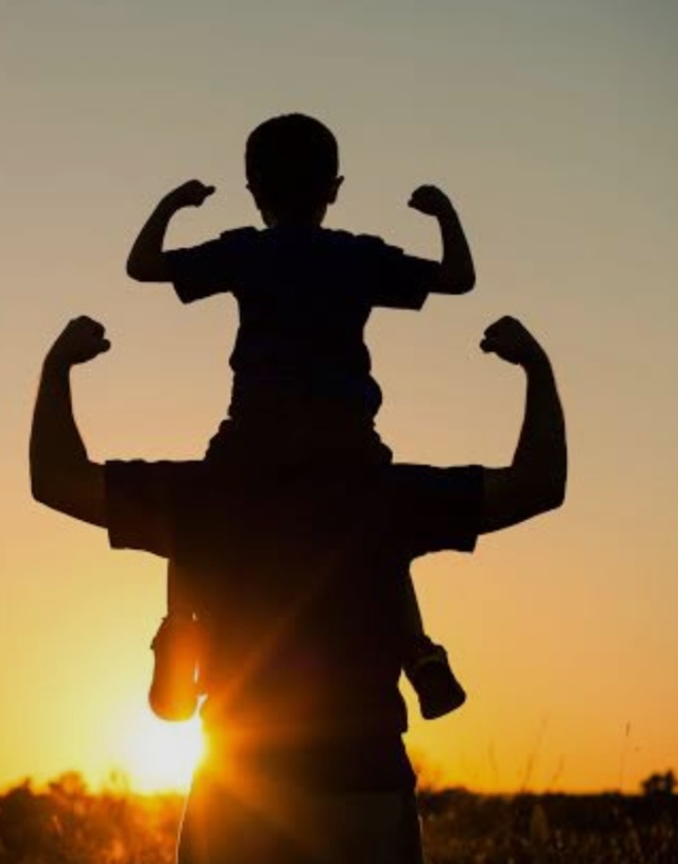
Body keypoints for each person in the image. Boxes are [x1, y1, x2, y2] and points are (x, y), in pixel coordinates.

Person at [29, 313, 565, 863]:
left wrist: (58, 367)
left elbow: (56, 478)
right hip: (365, 790)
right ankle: (421, 654)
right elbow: (537, 484)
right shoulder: (386, 495)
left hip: (238, 795)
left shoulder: (201, 495)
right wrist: (536, 368)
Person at [125, 113, 477, 720]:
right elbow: (457, 278)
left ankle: (181, 629)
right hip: (345, 439)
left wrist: (174, 204)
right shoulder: (356, 255)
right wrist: (443, 213)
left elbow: (143, 265)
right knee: (382, 539)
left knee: (189, 517)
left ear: (253, 190)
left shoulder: (246, 250)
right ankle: (417, 650)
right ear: (334, 189)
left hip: (255, 434)